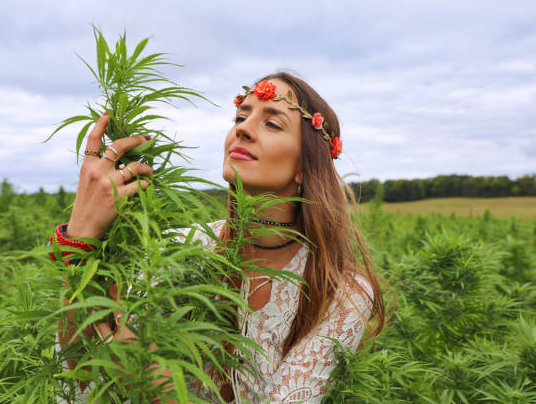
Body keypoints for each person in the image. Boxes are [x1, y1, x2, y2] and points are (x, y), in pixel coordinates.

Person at [52, 72, 385, 403]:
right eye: (241, 116)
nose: (242, 128)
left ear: (304, 167)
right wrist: (80, 235)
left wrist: (154, 386)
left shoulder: (340, 292)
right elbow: (83, 385)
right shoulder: (181, 248)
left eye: (272, 123)